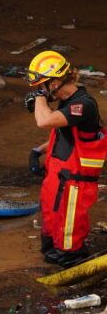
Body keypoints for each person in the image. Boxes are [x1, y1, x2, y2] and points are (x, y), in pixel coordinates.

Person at [24, 51, 107, 268]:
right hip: (59, 176)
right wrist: (37, 151)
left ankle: (76, 264)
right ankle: (58, 254)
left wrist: (39, 98)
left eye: (42, 85)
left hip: (75, 182)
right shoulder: (66, 101)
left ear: (57, 80)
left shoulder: (83, 105)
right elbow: (63, 134)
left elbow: (45, 122)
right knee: (51, 240)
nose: (39, 90)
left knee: (69, 242)